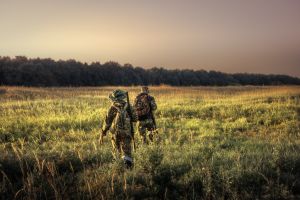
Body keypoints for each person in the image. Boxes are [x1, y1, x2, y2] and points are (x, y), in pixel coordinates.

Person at [99, 89, 138, 168]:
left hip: (115, 134)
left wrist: (102, 133)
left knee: (116, 152)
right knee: (126, 153)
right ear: (122, 97)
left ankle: (117, 169)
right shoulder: (128, 106)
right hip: (127, 134)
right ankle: (128, 170)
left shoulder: (112, 108)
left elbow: (107, 122)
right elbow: (135, 119)